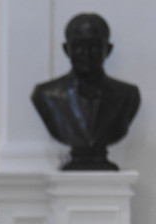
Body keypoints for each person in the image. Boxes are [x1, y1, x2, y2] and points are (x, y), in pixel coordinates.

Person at [31, 13, 140, 170]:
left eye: (94, 45)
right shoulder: (46, 95)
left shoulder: (128, 95)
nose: (86, 53)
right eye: (78, 46)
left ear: (108, 50)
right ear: (66, 49)